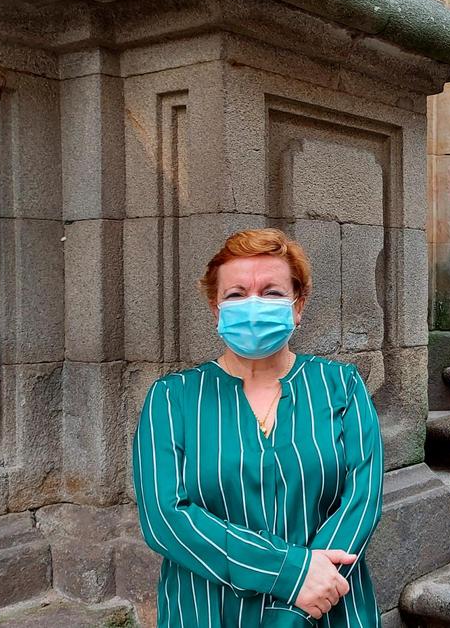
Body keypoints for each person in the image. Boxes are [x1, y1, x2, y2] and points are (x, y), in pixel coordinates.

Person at [131, 228, 384, 627]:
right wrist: (290, 574)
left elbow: (362, 500)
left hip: (327, 608)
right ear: (216, 310)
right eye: (236, 294)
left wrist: (300, 603)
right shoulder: (171, 399)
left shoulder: (342, 387)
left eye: (271, 292)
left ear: (298, 306)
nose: (254, 305)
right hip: (205, 609)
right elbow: (165, 519)